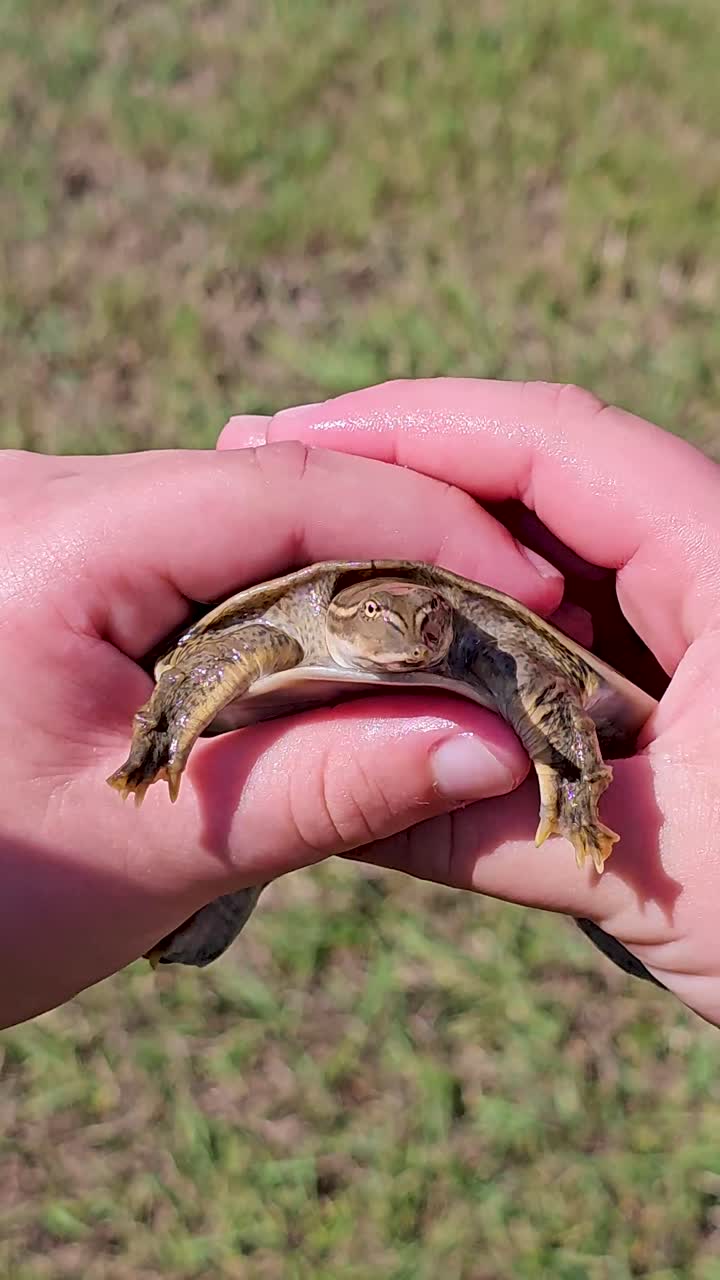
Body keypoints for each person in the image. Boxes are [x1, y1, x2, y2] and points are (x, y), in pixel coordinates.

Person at [2, 380, 718, 1031]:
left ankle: (642, 907)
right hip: (284, 680)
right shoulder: (288, 626)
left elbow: (549, 691)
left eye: (428, 622)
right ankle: (196, 896)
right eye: (379, 614)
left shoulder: (468, 633)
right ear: (347, 610)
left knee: (599, 801)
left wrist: (574, 782)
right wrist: (163, 732)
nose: (411, 638)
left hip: (524, 709)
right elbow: (210, 657)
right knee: (222, 820)